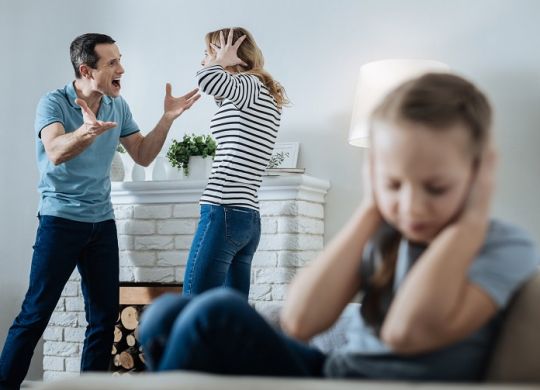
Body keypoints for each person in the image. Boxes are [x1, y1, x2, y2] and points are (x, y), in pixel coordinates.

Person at [138, 72, 539, 381]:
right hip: (334, 374)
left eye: (436, 188)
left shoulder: (501, 246)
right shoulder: (386, 234)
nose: (411, 205)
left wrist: (470, 220)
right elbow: (300, 320)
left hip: (370, 385)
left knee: (217, 312)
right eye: (394, 183)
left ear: (480, 171)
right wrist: (371, 207)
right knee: (166, 313)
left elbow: (407, 333)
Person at [0, 33, 199, 390]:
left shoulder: (116, 105)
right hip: (60, 221)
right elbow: (56, 150)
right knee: (35, 314)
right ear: (85, 70)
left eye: (120, 60)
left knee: (104, 319)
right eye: (112, 63)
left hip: (101, 223)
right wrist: (86, 132)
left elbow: (142, 154)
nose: (121, 69)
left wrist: (168, 118)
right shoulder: (54, 102)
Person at [182, 28, 287, 297]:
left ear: (229, 53)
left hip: (224, 208)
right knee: (230, 316)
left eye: (208, 53)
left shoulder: (250, 86)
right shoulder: (259, 91)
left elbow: (205, 81)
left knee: (193, 305)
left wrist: (220, 61)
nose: (203, 61)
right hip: (247, 216)